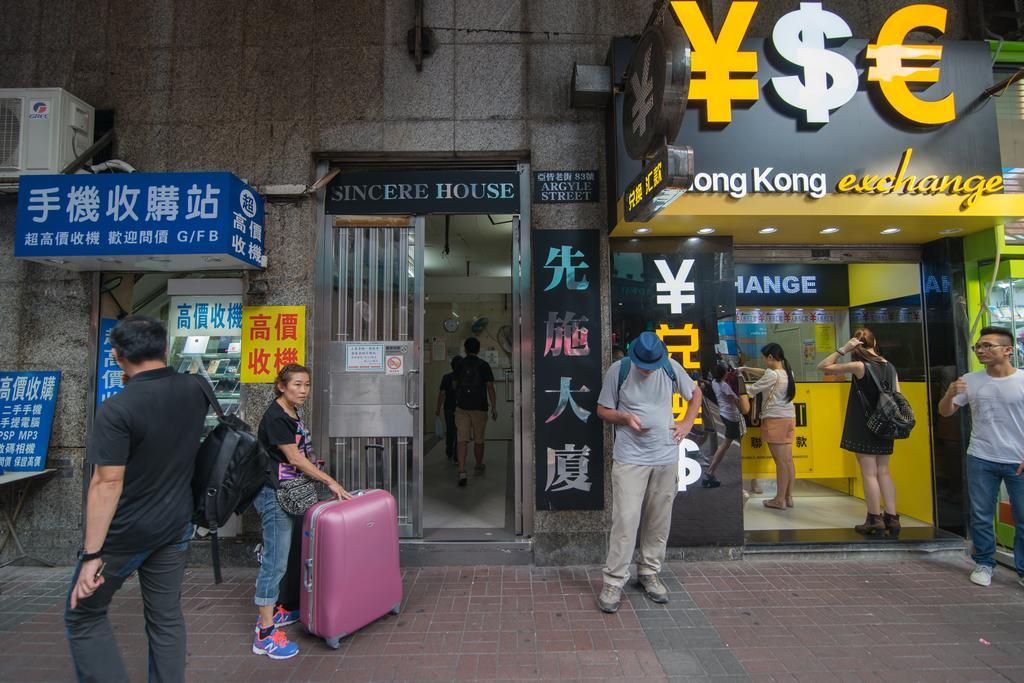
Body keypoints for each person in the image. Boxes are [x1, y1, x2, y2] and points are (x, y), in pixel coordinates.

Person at [65, 316, 209, 682]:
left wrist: (91, 555)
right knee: (166, 621)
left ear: (116, 355)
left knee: (84, 613)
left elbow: (106, 483)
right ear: (164, 348)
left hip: (125, 532)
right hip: (176, 524)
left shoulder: (118, 408)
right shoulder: (195, 389)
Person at [595, 331, 701, 613]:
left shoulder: (670, 367)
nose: (647, 369)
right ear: (634, 356)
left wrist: (686, 423)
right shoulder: (619, 370)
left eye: (651, 365)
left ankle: (649, 572)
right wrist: (624, 418)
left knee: (658, 519)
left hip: (665, 455)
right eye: (643, 364)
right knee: (625, 519)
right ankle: (614, 581)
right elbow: (603, 410)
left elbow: (696, 393)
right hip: (630, 457)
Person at [253, 364, 352, 659]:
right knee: (274, 561)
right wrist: (330, 481)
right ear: (281, 386)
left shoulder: (290, 412)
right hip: (273, 494)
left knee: (283, 556)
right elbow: (294, 457)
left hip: (287, 492)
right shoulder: (275, 417)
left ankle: (274, 612)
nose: (304, 391)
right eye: (297, 385)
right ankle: (264, 633)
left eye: (307, 385)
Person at [938, 326, 1024, 589]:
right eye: (979, 346)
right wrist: (951, 393)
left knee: (1022, 517)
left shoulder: (1021, 381)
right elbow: (945, 412)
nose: (982, 351)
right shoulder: (970, 380)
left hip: (1018, 459)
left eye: (988, 346)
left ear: (1008, 350)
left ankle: (1021, 569)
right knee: (981, 514)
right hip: (981, 456)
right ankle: (984, 562)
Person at [818, 329, 901, 536]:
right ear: (876, 342)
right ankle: (892, 518)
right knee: (884, 471)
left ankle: (874, 518)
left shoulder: (859, 366)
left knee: (869, 473)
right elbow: (898, 395)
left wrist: (843, 349)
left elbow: (824, 366)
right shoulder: (890, 366)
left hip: (864, 424)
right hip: (886, 424)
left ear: (856, 345)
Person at [741, 343, 796, 510]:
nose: (764, 361)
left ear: (771, 357)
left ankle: (779, 500)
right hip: (789, 419)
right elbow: (766, 373)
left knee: (781, 463)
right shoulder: (788, 372)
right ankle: (788, 497)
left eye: (765, 358)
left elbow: (751, 390)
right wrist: (746, 368)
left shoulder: (772, 376)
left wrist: (739, 384)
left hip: (775, 420)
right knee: (787, 461)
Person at [454, 337, 496, 487]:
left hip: (462, 408)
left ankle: (462, 471)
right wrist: (494, 407)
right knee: (479, 439)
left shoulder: (459, 364)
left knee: (462, 440)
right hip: (479, 407)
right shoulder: (484, 365)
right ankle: (478, 465)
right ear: (478, 349)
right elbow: (490, 387)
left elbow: (455, 385)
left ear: (465, 349)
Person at [703, 364, 749, 488]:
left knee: (732, 444)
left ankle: (710, 473)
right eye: (727, 372)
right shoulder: (724, 386)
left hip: (724, 414)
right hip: (731, 417)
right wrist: (744, 411)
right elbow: (735, 401)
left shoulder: (715, 383)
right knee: (727, 445)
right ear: (724, 373)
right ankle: (710, 472)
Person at [435, 356, 462, 462]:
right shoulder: (464, 377)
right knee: (459, 432)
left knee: (450, 430)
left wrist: (438, 407)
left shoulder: (446, 377)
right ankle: (456, 455)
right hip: (462, 408)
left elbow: (442, 394)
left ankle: (449, 450)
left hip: (449, 407)